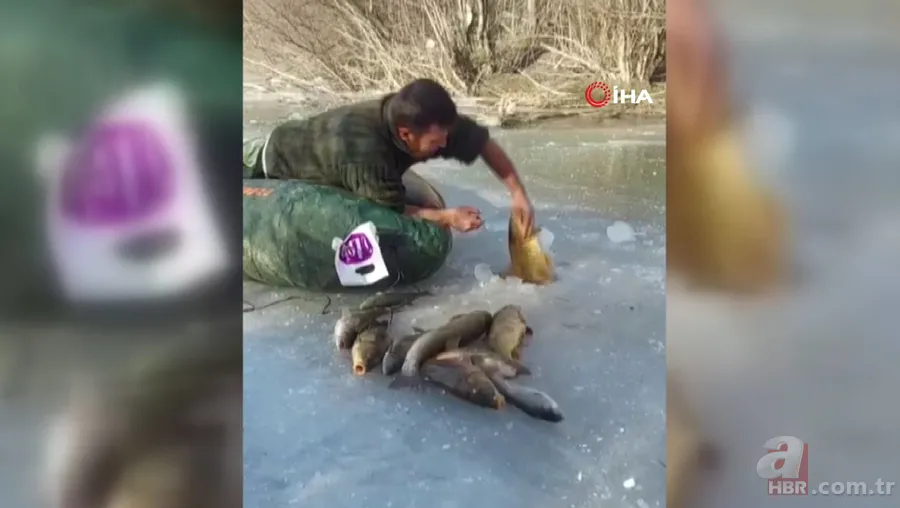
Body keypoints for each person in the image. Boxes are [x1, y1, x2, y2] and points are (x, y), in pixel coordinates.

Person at [244, 78, 535, 234]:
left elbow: (482, 142)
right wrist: (447, 217)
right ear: (406, 134)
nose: (446, 143)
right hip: (275, 159)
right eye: (437, 141)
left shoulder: (427, 121)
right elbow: (390, 211)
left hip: (327, 149)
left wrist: (517, 193)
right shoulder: (366, 152)